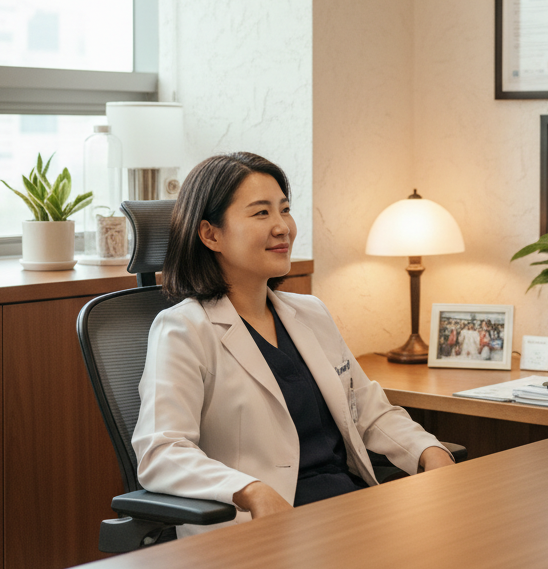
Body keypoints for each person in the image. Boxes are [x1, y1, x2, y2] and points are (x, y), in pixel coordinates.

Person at [131, 152, 454, 536]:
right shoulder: (183, 330)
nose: (283, 227)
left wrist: (429, 452)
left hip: (348, 513)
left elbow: (368, 411)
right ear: (210, 234)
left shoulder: (310, 313)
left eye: (284, 210)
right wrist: (249, 490)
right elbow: (162, 453)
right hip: (263, 531)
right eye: (261, 213)